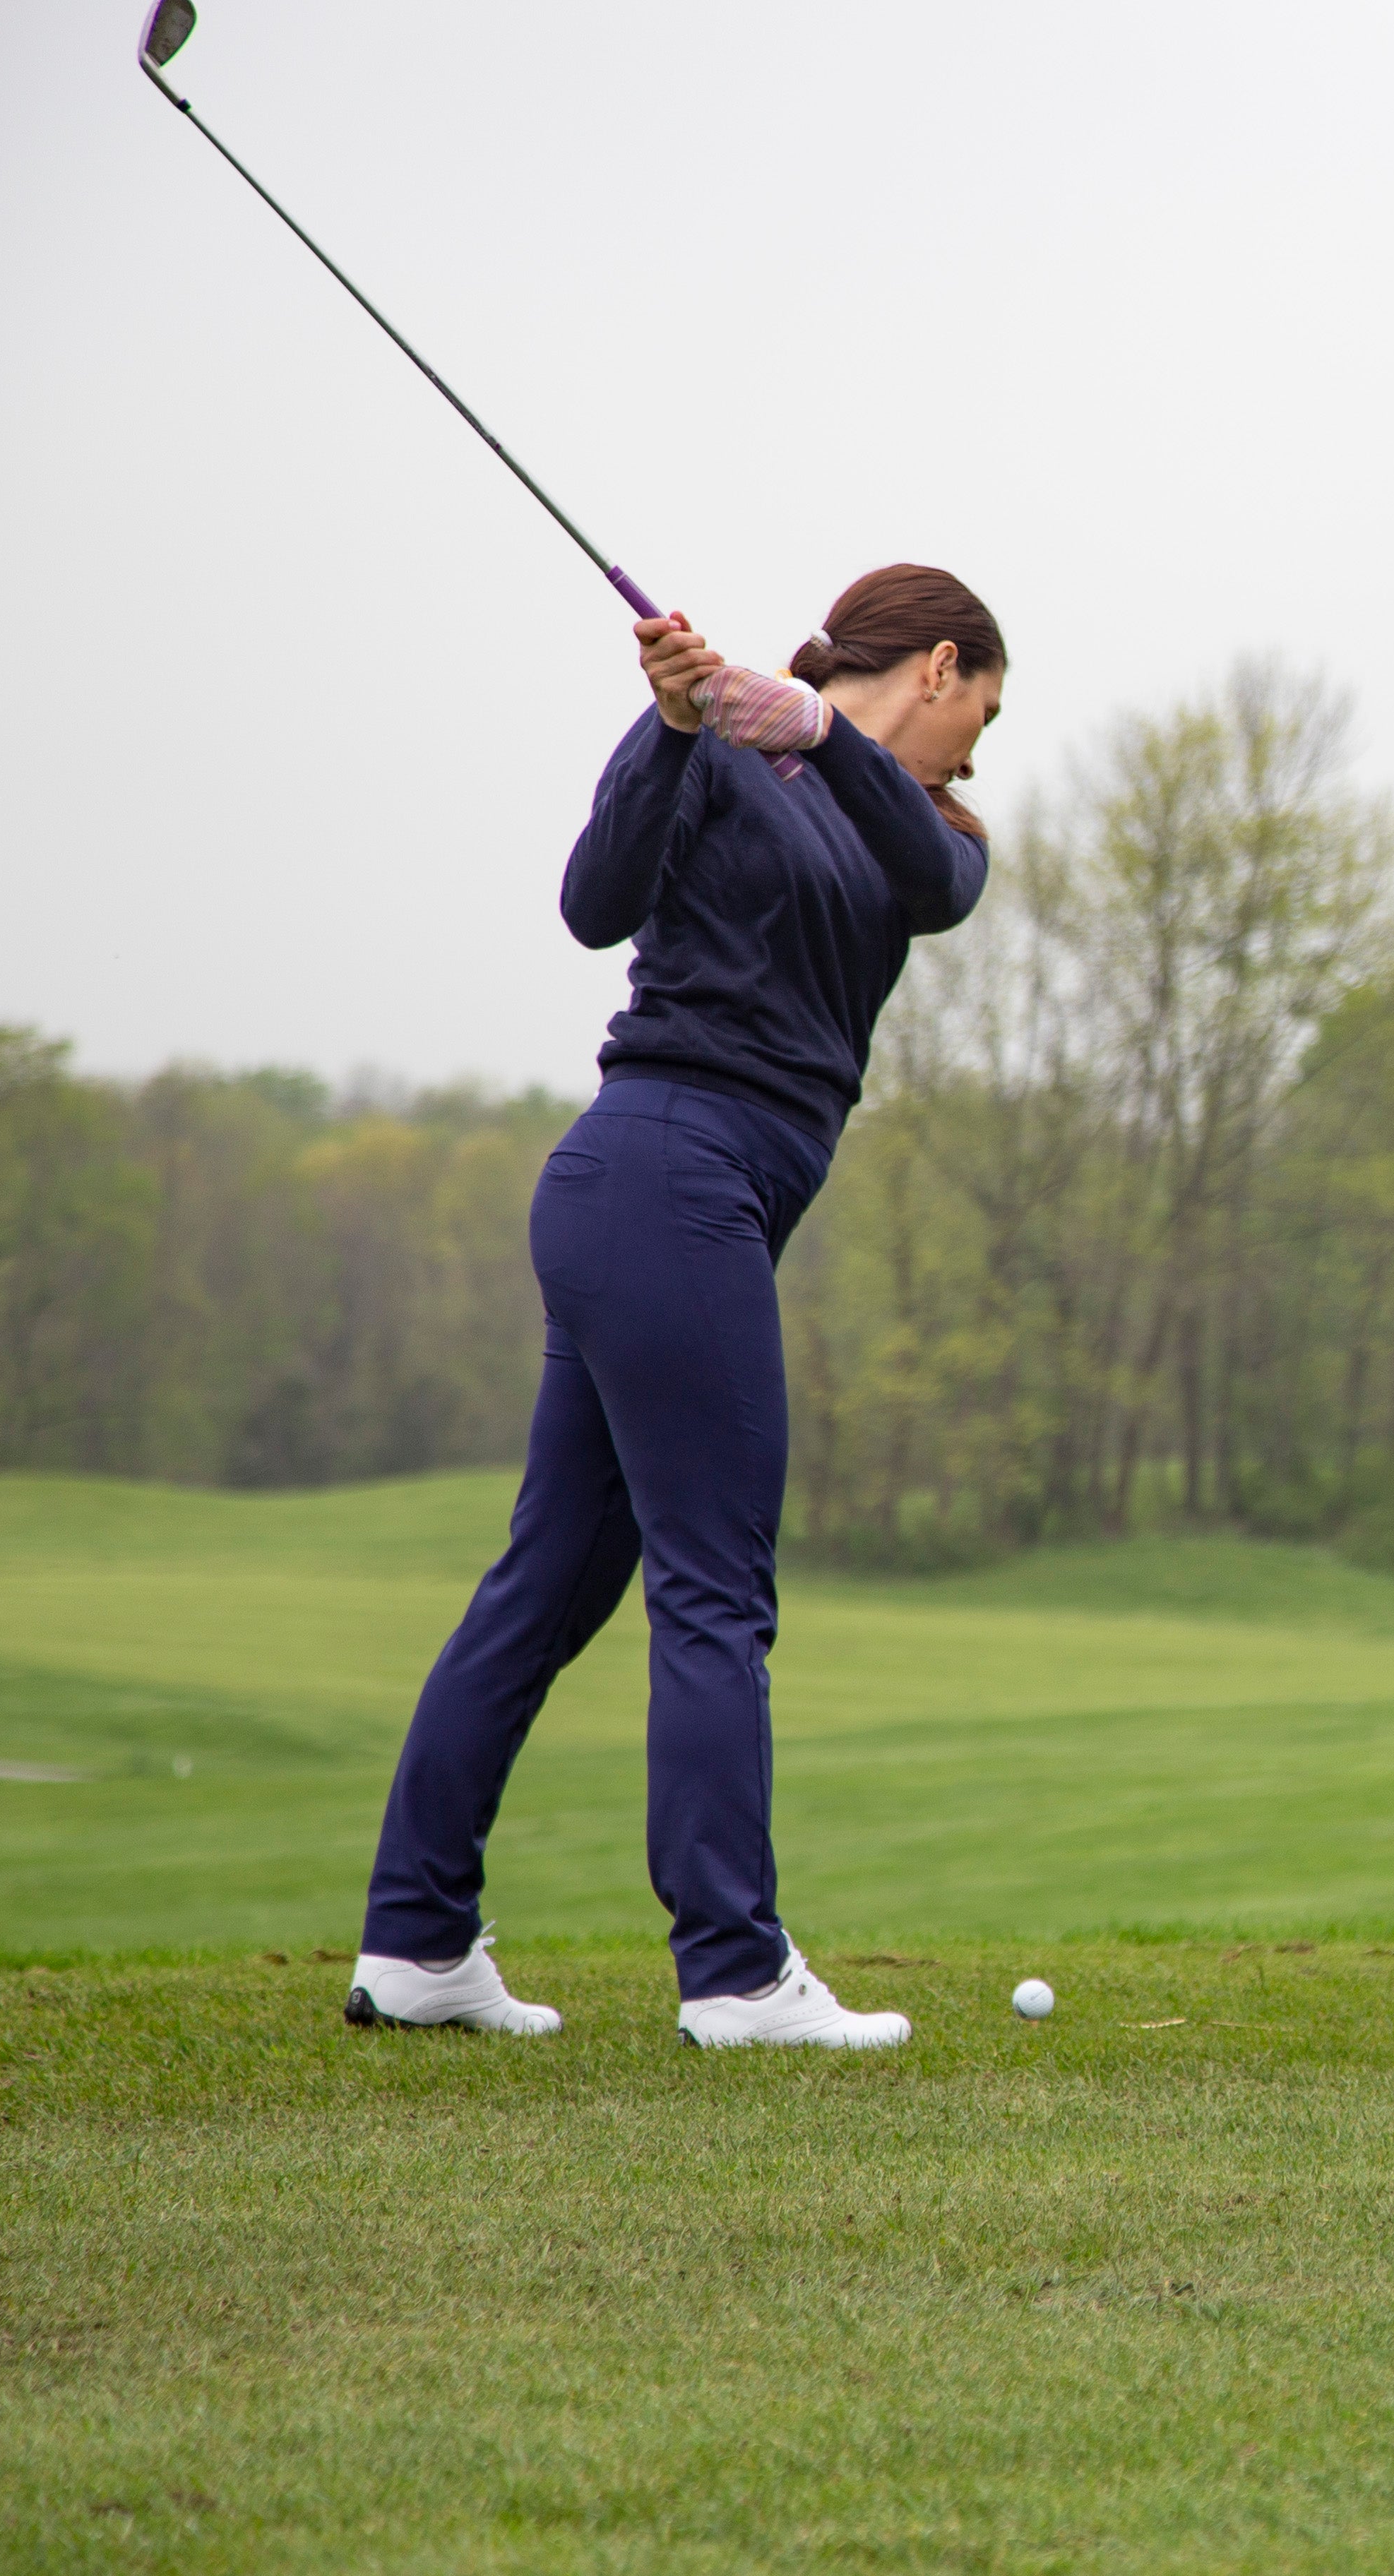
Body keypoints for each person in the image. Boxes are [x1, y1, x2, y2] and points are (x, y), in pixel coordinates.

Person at [344, 565, 1005, 2048]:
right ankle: (736, 1969)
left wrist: (817, 735)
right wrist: (669, 724)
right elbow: (594, 907)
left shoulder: (929, 824)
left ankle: (417, 1944)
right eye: (983, 715)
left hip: (663, 1204)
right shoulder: (707, 748)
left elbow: (935, 888)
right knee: (714, 1586)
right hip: (662, 1176)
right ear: (941, 668)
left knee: (553, 1582)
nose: (979, 752)